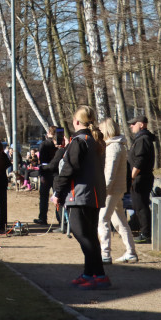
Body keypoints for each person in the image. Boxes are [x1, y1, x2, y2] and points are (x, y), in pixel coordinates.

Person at [53, 106, 109, 290]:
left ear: (76, 122)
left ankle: (98, 275)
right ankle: (90, 272)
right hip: (92, 194)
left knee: (83, 235)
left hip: (80, 195)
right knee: (90, 235)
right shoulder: (94, 140)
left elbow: (69, 169)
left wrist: (58, 192)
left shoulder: (79, 141)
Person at [98, 118, 138, 264]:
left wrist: (104, 190)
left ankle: (105, 253)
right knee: (120, 221)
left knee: (103, 220)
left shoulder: (113, 147)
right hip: (117, 189)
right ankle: (131, 251)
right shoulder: (119, 145)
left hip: (111, 190)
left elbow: (110, 173)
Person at [128, 115, 156, 244]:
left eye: (133, 124)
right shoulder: (140, 138)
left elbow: (140, 161)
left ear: (141, 124)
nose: (131, 126)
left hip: (141, 178)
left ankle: (146, 234)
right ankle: (143, 231)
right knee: (138, 205)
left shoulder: (143, 139)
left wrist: (132, 177)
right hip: (140, 177)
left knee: (141, 206)